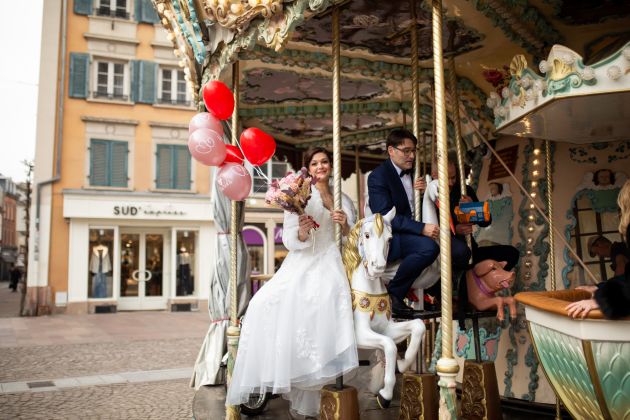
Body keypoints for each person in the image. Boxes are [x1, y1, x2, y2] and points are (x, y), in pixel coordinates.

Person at [226, 147, 358, 417]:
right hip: (303, 260)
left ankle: (321, 367)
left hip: (330, 260)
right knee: (262, 301)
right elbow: (287, 240)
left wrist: (345, 225)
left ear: (330, 166)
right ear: (308, 168)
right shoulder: (298, 196)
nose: (320, 166)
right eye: (315, 163)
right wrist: (301, 230)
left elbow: (353, 237)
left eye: (324, 162)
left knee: (320, 301)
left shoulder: (342, 198)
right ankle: (272, 364)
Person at [367, 128, 441, 317]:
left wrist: (423, 194)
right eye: (406, 151)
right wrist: (422, 228)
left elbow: (416, 206)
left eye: (414, 150)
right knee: (429, 248)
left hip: (411, 230)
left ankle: (438, 292)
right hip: (393, 235)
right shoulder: (378, 176)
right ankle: (395, 294)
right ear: (391, 150)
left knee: (455, 250)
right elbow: (384, 214)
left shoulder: (415, 172)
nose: (412, 155)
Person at [567, 180, 630, 319]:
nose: (599, 256)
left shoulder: (616, 251)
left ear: (601, 244)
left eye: (596, 252)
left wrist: (605, 298)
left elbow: (622, 269)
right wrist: (601, 287)